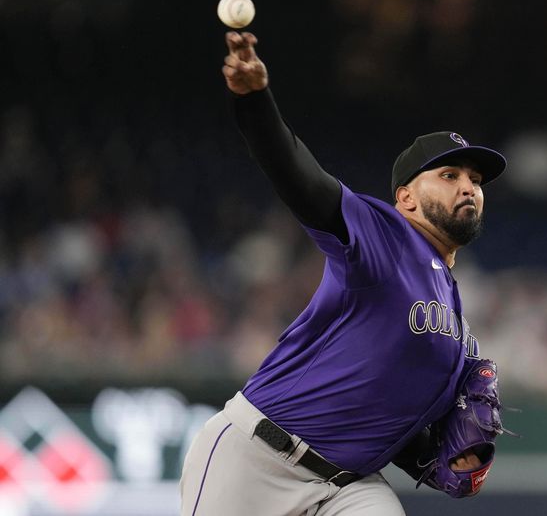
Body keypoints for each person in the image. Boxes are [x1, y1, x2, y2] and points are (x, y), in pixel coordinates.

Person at [180, 31, 507, 516]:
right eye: (449, 175)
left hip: (349, 486)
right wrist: (254, 101)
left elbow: (385, 419)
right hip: (257, 459)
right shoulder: (382, 237)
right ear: (406, 199)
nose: (468, 187)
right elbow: (296, 174)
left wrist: (436, 460)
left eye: (475, 181)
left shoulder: (453, 313)